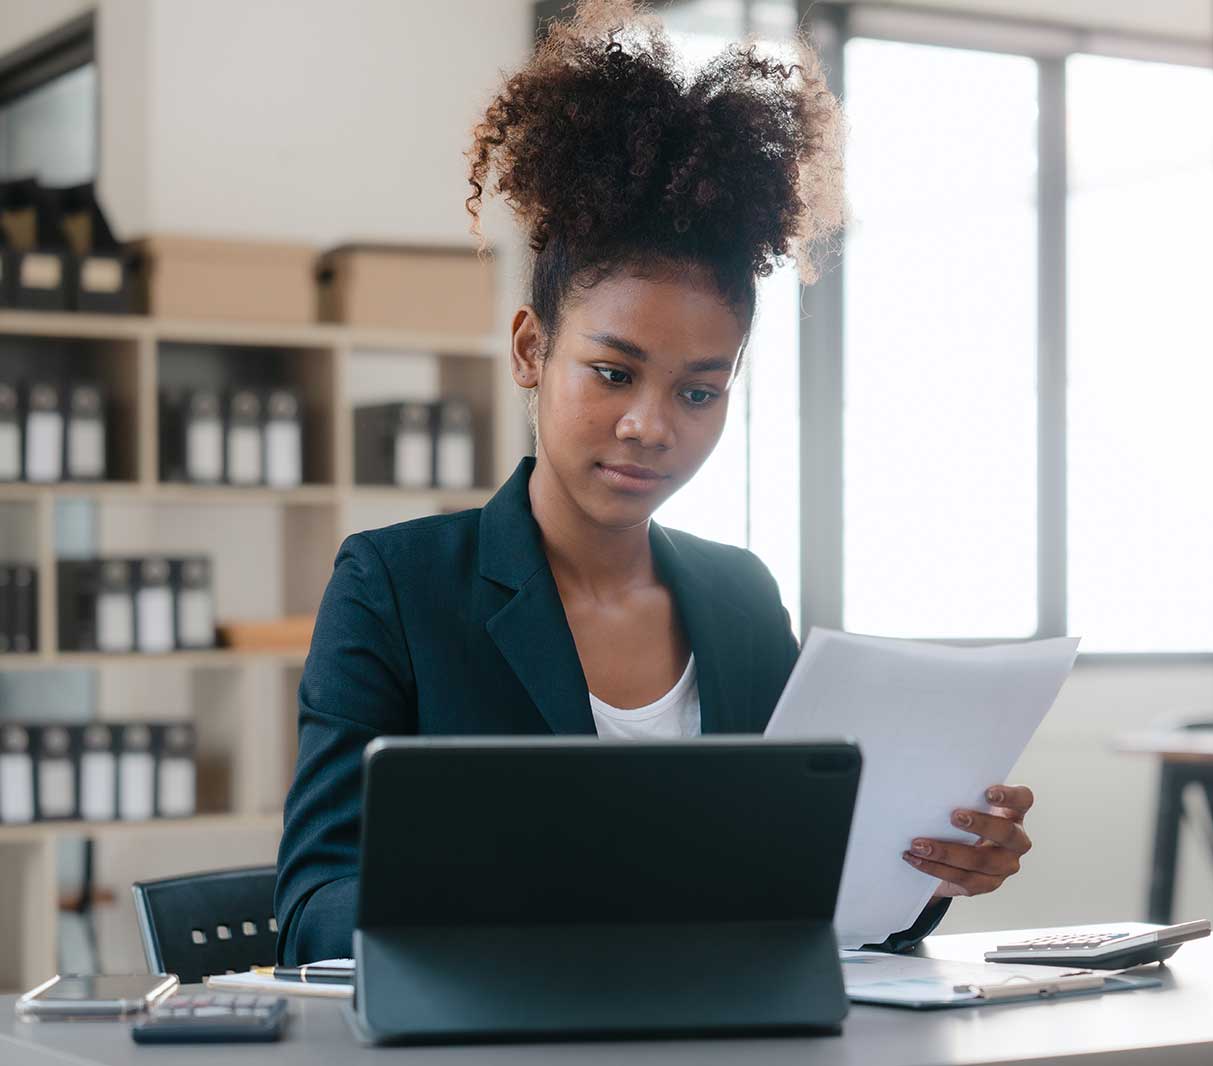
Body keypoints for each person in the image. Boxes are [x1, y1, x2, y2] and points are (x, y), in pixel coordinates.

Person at [274, 0, 1036, 966]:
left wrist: (932, 868)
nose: (651, 425)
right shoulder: (395, 588)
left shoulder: (739, 599)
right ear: (529, 349)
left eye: (699, 390)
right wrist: (537, 898)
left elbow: (814, 891)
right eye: (612, 372)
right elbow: (310, 912)